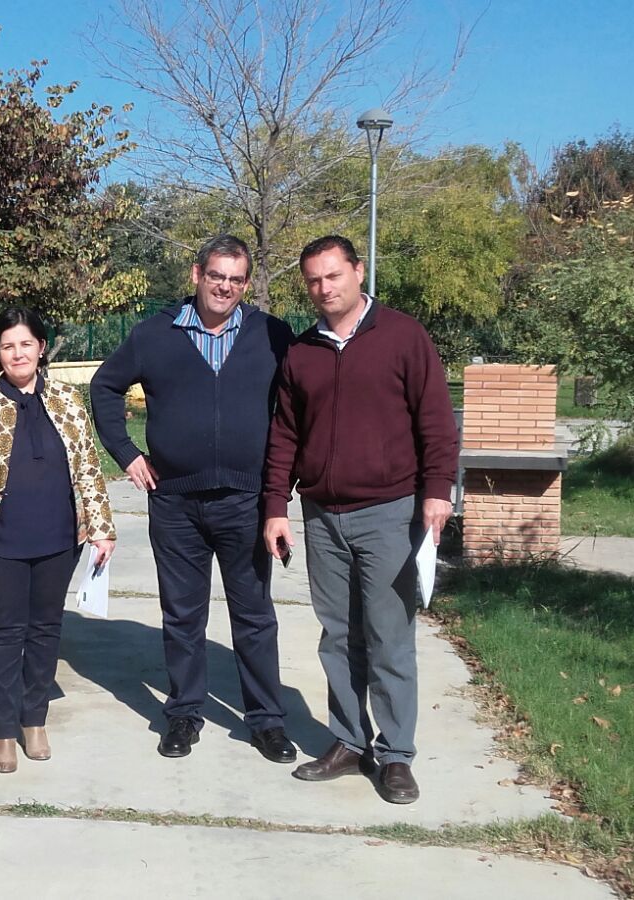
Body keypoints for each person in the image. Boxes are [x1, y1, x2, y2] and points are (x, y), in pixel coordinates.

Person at [261, 235, 458, 805]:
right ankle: (349, 742)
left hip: (390, 513)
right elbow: (285, 438)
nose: (324, 289)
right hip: (323, 516)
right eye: (314, 281)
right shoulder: (302, 353)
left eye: (333, 276)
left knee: (389, 637)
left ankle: (396, 756)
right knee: (339, 637)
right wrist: (277, 506)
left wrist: (437, 492)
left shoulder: (403, 336)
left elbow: (437, 421)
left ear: (358, 270)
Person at [89, 234, 297, 764]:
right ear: (196, 274)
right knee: (183, 615)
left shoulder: (271, 334)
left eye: (235, 278)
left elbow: (298, 404)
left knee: (254, 616)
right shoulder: (154, 335)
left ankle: (267, 721)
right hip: (175, 503)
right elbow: (105, 387)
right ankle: (184, 713)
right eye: (215, 275)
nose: (224, 285)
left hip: (244, 502)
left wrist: (283, 481)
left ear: (245, 284)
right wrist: (126, 453)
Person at [0, 308, 117, 773]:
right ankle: (2, 729)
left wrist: (101, 527)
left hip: (59, 536)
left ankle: (34, 718)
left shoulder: (66, 399)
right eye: (7, 346)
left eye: (25, 344)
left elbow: (87, 466)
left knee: (45, 630)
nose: (17, 353)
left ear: (41, 347)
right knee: (4, 634)